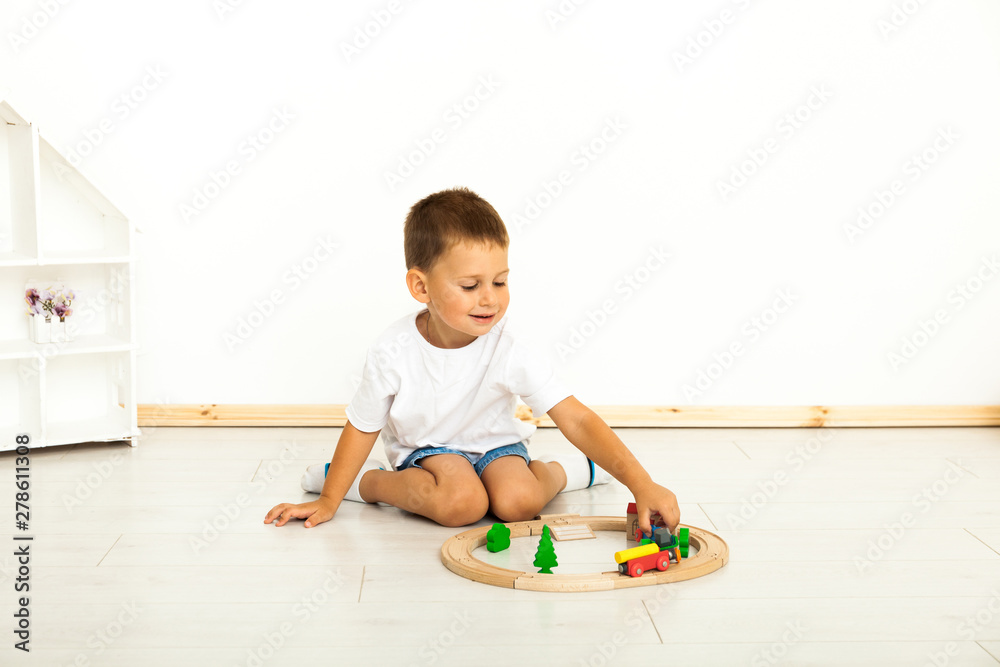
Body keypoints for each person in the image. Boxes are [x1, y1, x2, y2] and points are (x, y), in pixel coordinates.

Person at [263, 187, 679, 536]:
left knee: (518, 503)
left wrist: (642, 484)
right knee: (461, 504)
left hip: (497, 447)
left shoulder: (511, 345)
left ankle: (572, 471)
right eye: (469, 285)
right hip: (427, 453)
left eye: (500, 281)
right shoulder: (393, 349)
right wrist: (329, 500)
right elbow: (362, 425)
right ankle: (366, 482)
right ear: (421, 287)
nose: (490, 299)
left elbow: (577, 419)